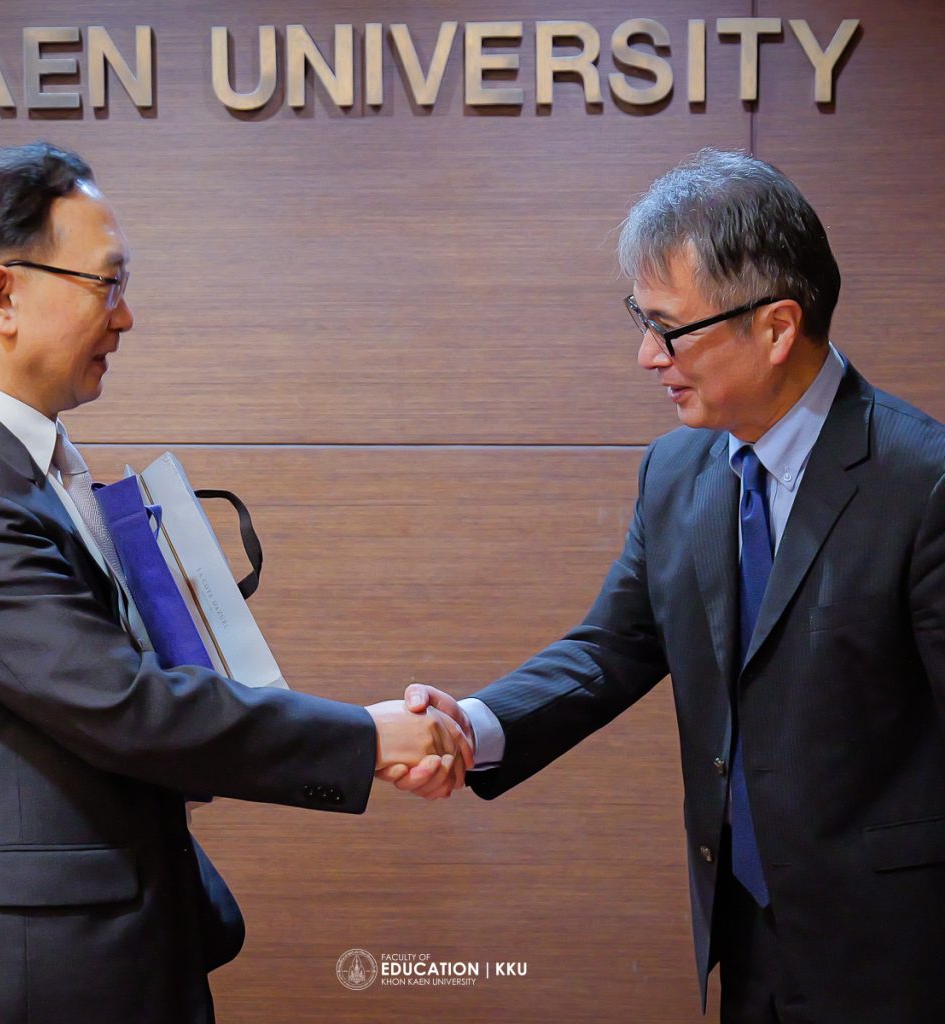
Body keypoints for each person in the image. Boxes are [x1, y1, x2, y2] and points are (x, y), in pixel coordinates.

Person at [389, 149, 945, 1022]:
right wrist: (476, 725)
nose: (647, 356)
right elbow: (613, 647)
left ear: (777, 327)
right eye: (641, 320)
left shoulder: (923, 483)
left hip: (901, 953)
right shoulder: (677, 470)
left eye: (670, 328)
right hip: (746, 938)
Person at [0, 143, 469, 1024]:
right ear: (2, 295)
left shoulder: (9, 465)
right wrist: (366, 737)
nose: (126, 316)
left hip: (116, 946)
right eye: (107, 284)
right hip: (41, 980)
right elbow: (123, 704)